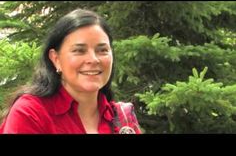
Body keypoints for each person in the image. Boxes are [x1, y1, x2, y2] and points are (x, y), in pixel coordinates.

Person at [0, 8, 141, 134]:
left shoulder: (123, 121)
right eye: (79, 50)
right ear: (55, 59)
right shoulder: (31, 114)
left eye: (102, 50)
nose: (93, 59)